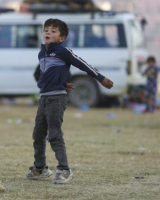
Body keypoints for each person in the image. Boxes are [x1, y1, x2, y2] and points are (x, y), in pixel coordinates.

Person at [26, 18, 113, 184]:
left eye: (53, 31)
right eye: (46, 30)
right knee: (38, 135)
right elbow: (43, 75)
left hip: (56, 99)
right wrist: (62, 83)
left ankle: (65, 169)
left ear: (62, 38)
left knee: (54, 135)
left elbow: (82, 64)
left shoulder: (63, 51)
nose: (48, 33)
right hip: (44, 98)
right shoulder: (42, 53)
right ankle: (40, 168)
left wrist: (100, 78)